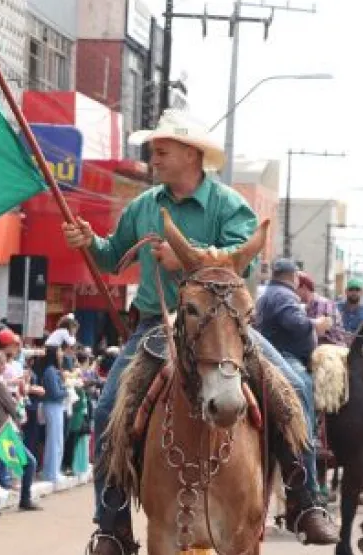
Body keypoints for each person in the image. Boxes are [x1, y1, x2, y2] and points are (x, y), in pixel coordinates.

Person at [62, 109, 340, 552]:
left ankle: (306, 500)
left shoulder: (228, 204)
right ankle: (111, 525)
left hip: (223, 321)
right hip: (160, 324)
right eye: (153, 150)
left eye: (162, 150)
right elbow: (113, 257)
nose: (153, 157)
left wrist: (188, 257)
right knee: (107, 410)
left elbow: (241, 253)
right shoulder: (143, 206)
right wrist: (88, 243)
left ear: (192, 155)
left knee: (294, 385)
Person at [256, 259, 334, 517]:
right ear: (295, 279)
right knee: (303, 387)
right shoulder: (282, 295)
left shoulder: (272, 293)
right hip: (285, 356)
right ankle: (306, 437)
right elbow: (295, 323)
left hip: (280, 352)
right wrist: (317, 325)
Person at [0, 351, 42, 514]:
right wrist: (18, 398)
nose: (4, 367)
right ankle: (24, 499)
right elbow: (14, 409)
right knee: (29, 462)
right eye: (1, 363)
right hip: (2, 433)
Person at [37, 345, 68, 485]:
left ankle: (53, 470)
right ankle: (51, 472)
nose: (61, 354)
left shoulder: (53, 370)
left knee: (57, 439)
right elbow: (55, 393)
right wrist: (67, 390)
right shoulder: (50, 371)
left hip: (56, 406)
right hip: (52, 405)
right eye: (59, 351)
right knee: (54, 440)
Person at [297, 271, 347, 346]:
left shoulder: (322, 304)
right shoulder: (307, 306)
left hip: (332, 349)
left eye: (294, 289)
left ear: (304, 288)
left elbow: (319, 332)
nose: (292, 293)